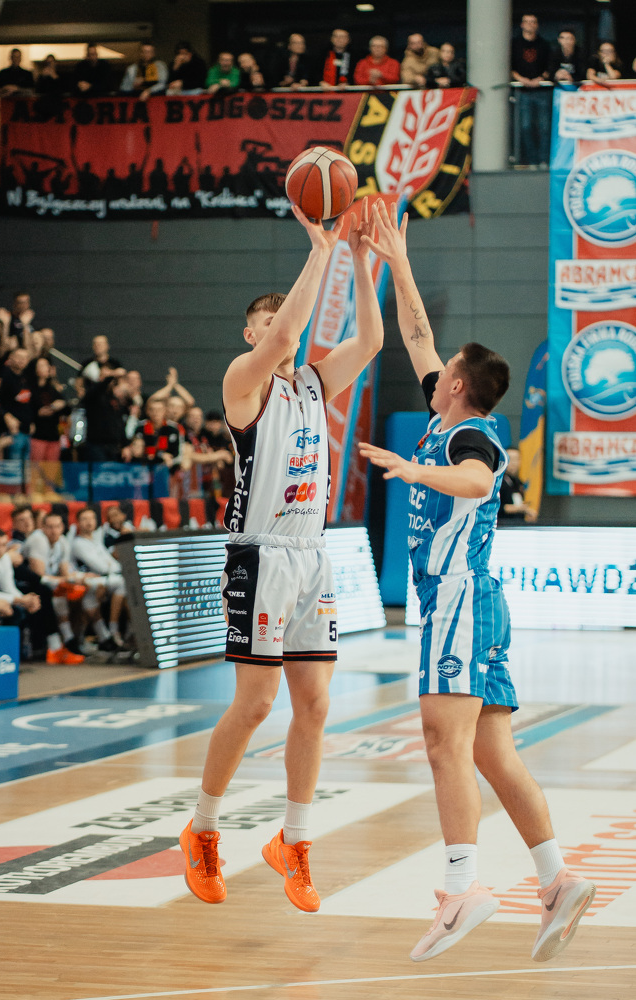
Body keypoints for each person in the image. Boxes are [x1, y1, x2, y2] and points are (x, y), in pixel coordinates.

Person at [358, 201, 595, 964]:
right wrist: (397, 261)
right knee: (492, 753)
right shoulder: (447, 411)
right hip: (472, 602)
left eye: (442, 373)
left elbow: (473, 481)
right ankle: (556, 878)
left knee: (440, 743)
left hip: (458, 598)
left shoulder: (469, 433)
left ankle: (461, 888)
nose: (430, 373)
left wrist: (410, 470)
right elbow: (416, 333)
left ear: (456, 384)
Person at [178, 197, 384, 911]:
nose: (281, 330)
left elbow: (370, 340)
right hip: (259, 557)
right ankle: (202, 828)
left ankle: (292, 842)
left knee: (316, 704)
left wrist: (357, 257)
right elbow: (289, 333)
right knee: (256, 703)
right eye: (268, 324)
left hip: (311, 555)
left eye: (282, 322)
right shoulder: (244, 381)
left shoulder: (312, 384)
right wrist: (318, 251)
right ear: (250, 334)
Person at [22, 512, 86, 663]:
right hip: (24, 584)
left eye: (57, 527)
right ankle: (56, 646)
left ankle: (69, 640)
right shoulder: (38, 540)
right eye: (50, 527)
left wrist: (74, 580)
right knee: (45, 592)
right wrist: (64, 581)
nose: (54, 531)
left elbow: (64, 573)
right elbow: (38, 576)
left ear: (62, 527)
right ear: (43, 528)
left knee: (68, 589)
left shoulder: (62, 542)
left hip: (46, 584)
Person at [71, 507, 127, 651]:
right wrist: (111, 567)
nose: (89, 522)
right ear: (78, 523)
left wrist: (112, 567)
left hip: (100, 580)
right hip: (83, 581)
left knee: (121, 584)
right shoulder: (77, 543)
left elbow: (112, 564)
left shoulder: (96, 540)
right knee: (120, 583)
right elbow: (101, 568)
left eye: (91, 518)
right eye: (84, 519)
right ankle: (110, 633)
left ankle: (106, 636)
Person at [511, 14, 551, 168]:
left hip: (541, 90)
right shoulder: (515, 44)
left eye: (533, 22)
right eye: (527, 22)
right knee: (526, 127)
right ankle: (532, 160)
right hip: (523, 90)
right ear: (522, 25)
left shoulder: (544, 44)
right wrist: (521, 79)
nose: (530, 25)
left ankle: (543, 160)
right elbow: (509, 66)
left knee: (544, 127)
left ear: (537, 25)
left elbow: (549, 67)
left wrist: (540, 79)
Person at [30, 357, 67, 462]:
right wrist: (39, 412)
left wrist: (54, 407)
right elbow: (31, 409)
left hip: (53, 436)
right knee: (36, 469)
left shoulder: (52, 389)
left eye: (47, 365)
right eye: (43, 365)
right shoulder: (31, 389)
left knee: (51, 470)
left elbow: (65, 407)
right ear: (35, 369)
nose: (47, 368)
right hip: (38, 436)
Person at [498, 448, 537, 522]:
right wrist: (517, 508)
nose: (513, 463)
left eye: (516, 459)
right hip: (502, 524)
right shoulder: (498, 482)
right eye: (510, 459)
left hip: (518, 524)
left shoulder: (518, 482)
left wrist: (526, 511)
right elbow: (494, 507)